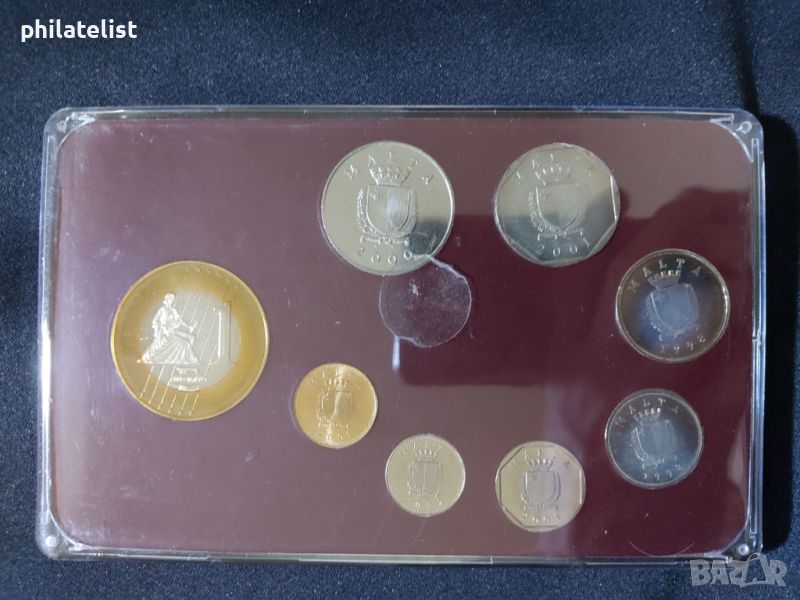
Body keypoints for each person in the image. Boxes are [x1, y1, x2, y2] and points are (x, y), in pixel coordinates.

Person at [142, 293, 199, 365]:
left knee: (191, 338)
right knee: (185, 343)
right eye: (171, 299)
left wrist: (189, 327)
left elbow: (180, 320)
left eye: (173, 299)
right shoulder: (162, 310)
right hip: (164, 332)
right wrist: (163, 328)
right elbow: (155, 321)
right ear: (167, 299)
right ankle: (186, 359)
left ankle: (184, 357)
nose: (173, 300)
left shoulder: (173, 310)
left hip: (172, 331)